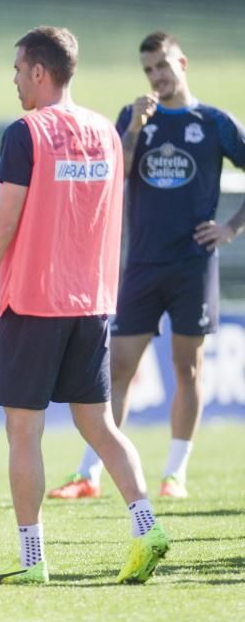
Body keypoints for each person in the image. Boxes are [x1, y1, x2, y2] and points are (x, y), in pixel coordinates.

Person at [0, 26, 169, 585]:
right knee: (99, 424)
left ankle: (32, 560)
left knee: (23, 433)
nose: (12, 80)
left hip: (34, 301)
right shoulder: (105, 131)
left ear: (38, 71)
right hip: (93, 302)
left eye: (16, 69)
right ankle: (147, 526)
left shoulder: (26, 131)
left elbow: (5, 219)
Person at [48, 32, 245, 501]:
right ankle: (90, 474)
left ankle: (175, 472)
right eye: (149, 69)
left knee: (188, 369)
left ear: (182, 62)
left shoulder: (214, 122)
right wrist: (135, 127)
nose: (156, 77)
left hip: (193, 264)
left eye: (162, 66)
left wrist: (231, 228)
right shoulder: (134, 119)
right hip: (140, 264)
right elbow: (117, 173)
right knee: (117, 367)